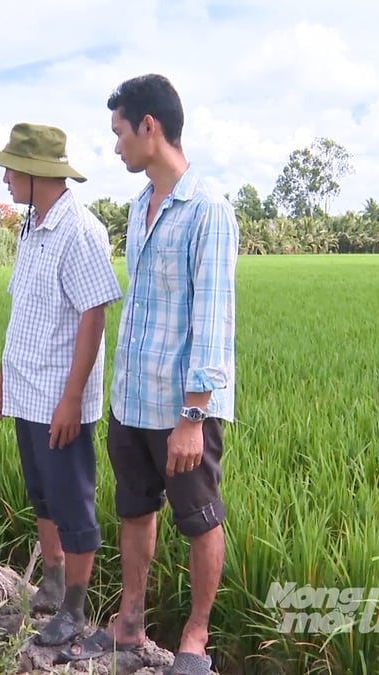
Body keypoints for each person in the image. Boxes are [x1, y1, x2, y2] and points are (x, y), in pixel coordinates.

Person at [57, 75, 237, 675]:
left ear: (149, 127)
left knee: (199, 518)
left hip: (179, 407)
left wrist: (193, 416)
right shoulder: (140, 206)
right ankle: (129, 623)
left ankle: (195, 638)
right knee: (135, 510)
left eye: (119, 132)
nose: (116, 146)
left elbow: (212, 321)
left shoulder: (208, 210)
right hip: (130, 399)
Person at [0, 123, 122, 646]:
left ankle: (75, 610)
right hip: (27, 388)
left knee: (72, 500)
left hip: (60, 397)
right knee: (42, 495)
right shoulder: (31, 226)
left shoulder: (80, 230)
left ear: (36, 173)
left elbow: (93, 315)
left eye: (10, 171)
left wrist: (71, 399)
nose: (5, 180)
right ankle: (53, 582)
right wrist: (2, 375)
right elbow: (25, 311)